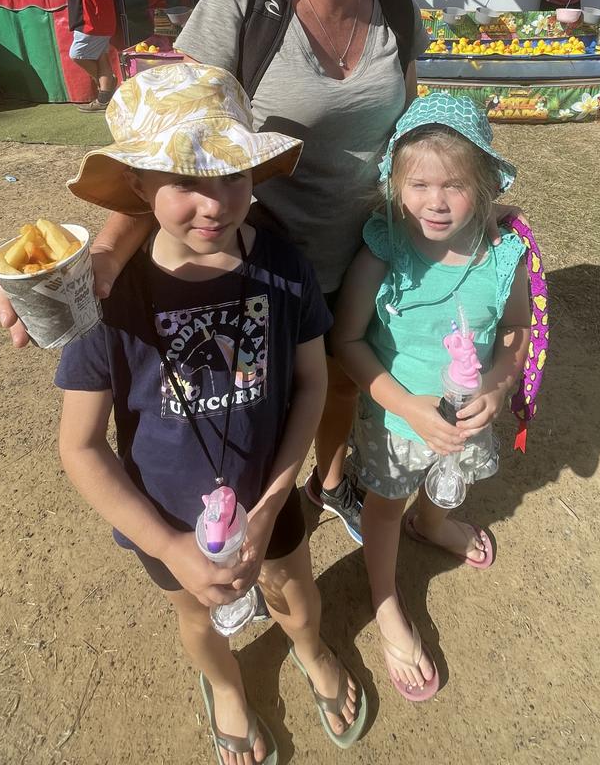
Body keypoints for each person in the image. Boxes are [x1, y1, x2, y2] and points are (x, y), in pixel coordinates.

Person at [0, 0, 430, 545]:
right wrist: (92, 265)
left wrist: (459, 210)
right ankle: (249, 530)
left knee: (336, 392)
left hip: (362, 265)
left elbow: (405, 135)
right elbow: (167, 144)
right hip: (257, 274)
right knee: (259, 417)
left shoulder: (398, 6)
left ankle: (332, 484)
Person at [56, 63, 367, 764]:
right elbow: (79, 446)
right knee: (197, 618)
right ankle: (227, 689)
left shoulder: (280, 263)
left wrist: (274, 499)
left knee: (294, 589)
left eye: (232, 175)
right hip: (166, 519)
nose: (215, 204)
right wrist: (167, 547)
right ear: (137, 188)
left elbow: (313, 384)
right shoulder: (109, 300)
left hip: (270, 494)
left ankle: (313, 652)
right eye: (185, 184)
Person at [330, 94, 530, 701]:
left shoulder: (503, 258)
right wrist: (407, 404)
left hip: (463, 419)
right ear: (395, 184)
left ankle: (435, 521)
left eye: (455, 186)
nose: (435, 202)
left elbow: (516, 335)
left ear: (487, 185)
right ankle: (387, 603)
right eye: (418, 184)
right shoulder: (383, 250)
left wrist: (498, 385)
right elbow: (347, 340)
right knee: (383, 509)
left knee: (450, 480)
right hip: (395, 420)